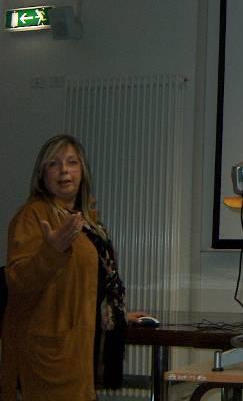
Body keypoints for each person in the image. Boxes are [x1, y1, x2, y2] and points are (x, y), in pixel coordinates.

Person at [1, 135, 147, 401]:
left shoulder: (86, 221)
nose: (64, 170)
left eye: (72, 162)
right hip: (45, 355)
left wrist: (113, 314)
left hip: (79, 350)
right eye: (54, 164)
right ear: (42, 174)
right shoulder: (33, 215)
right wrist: (52, 250)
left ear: (82, 171)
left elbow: (87, 280)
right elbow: (18, 281)